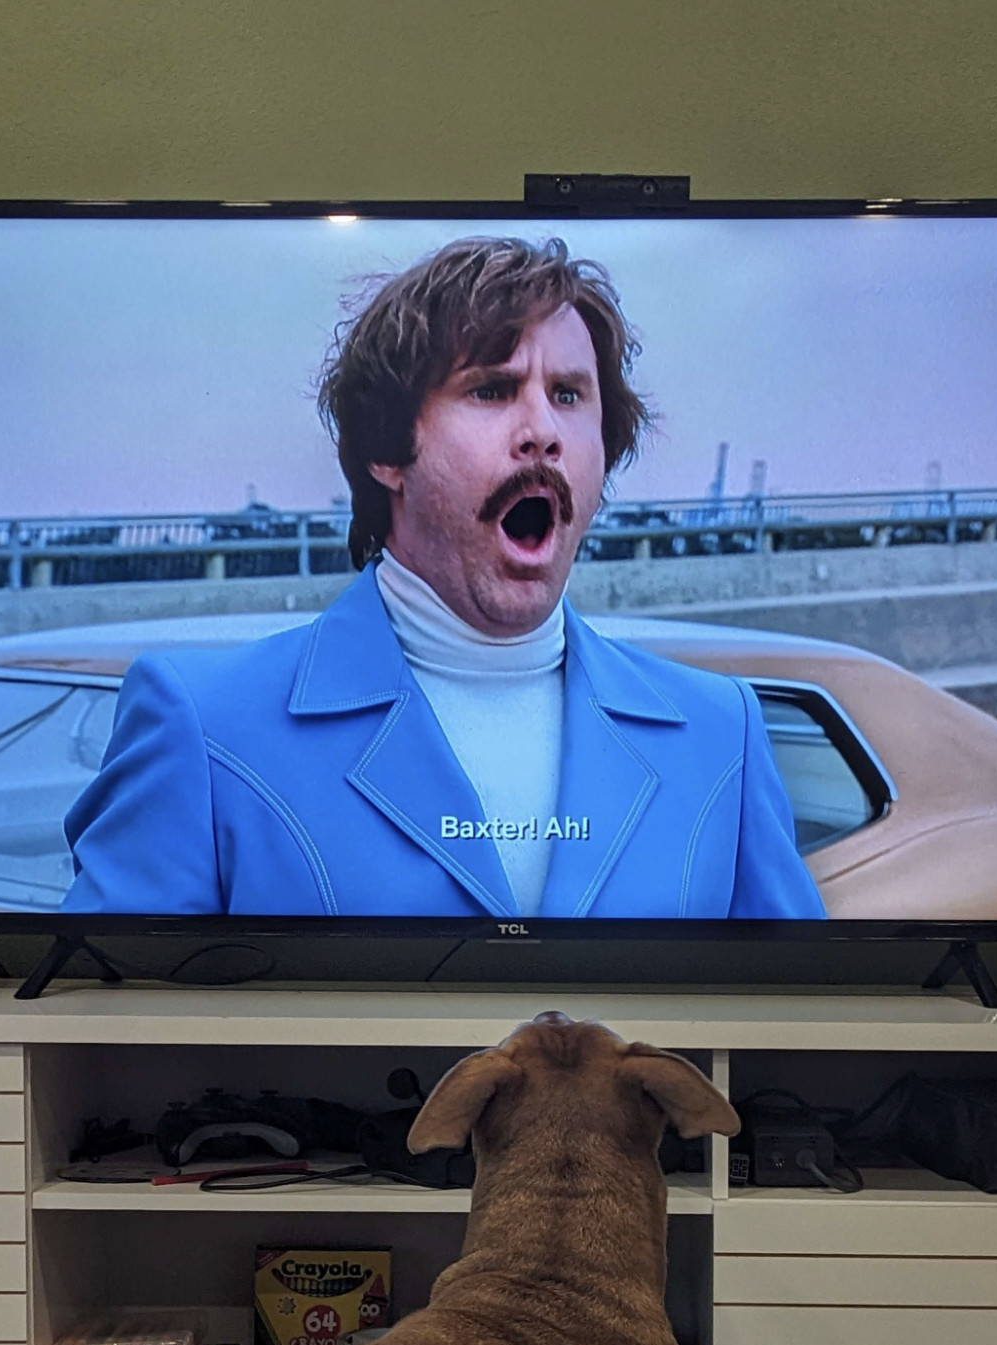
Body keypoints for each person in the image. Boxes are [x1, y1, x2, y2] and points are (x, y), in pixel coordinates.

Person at [62, 237, 826, 919]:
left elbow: (794, 1038)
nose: (543, 433)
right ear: (386, 450)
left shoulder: (722, 732)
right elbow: (110, 1041)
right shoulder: (204, 725)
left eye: (568, 395)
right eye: (492, 390)